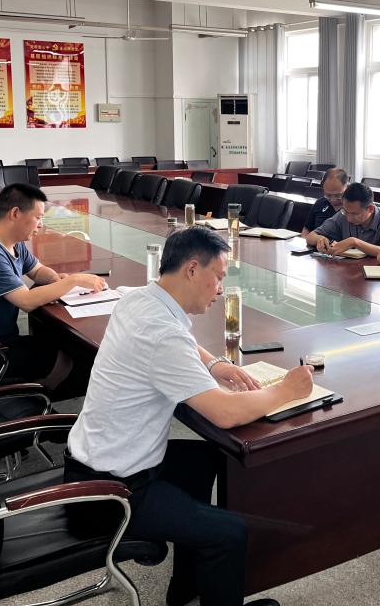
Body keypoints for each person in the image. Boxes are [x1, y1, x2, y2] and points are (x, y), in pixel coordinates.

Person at [65, 226, 312, 606]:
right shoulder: (161, 333)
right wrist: (286, 390)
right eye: (219, 277)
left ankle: (186, 589)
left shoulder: (139, 299)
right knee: (229, 532)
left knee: (205, 459)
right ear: (192, 269)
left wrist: (214, 364)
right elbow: (224, 413)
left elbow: (180, 341)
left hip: (92, 464)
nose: (220, 289)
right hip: (112, 493)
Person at [0, 183, 107, 381]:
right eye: (38, 217)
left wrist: (56, 279)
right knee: (70, 358)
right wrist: (73, 280)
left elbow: (37, 271)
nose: (41, 224)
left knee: (62, 344)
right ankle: (34, 397)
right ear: (15, 213)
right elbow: (26, 301)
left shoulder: (11, 242)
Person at [304, 182, 380, 257]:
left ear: (370, 209)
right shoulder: (343, 214)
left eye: (355, 214)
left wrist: (354, 242)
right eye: (346, 211)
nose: (349, 219)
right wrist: (321, 239)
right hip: (349, 269)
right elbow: (310, 237)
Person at [300, 167, 348, 236]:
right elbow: (307, 229)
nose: (333, 199)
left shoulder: (353, 208)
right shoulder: (320, 203)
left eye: (338, 195)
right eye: (328, 195)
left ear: (347, 187)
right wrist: (304, 240)